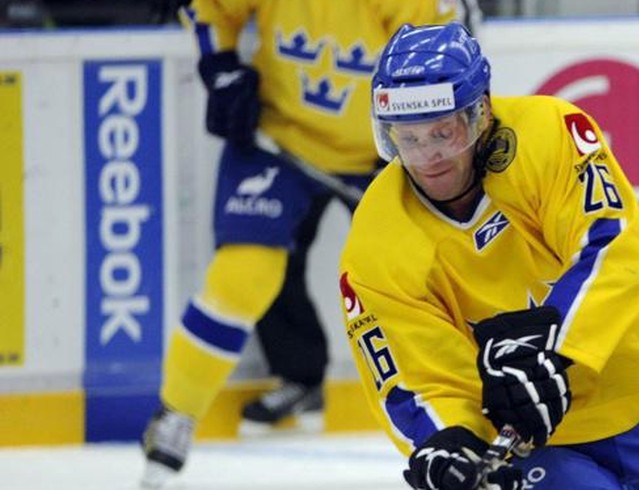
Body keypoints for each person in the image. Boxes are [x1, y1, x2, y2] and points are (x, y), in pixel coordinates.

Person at [338, 22, 639, 490]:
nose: (428, 158)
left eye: (444, 134)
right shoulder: (376, 241)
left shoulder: (549, 135)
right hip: (535, 445)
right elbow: (413, 376)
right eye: (408, 139)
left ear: (481, 113)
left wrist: (552, 351)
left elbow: (617, 248)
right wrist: (450, 439)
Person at [140, 1, 466, 488]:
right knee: (244, 276)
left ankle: (467, 418)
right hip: (279, 138)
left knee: (436, 278)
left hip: (387, 152)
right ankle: (176, 413)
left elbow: (444, 57)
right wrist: (223, 68)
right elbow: (207, 8)